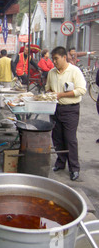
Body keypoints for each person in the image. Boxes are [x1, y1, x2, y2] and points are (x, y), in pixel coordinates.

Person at [46, 46, 87, 181]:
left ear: (64, 57)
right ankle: (60, 162)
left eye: (56, 59)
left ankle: (74, 168)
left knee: (70, 139)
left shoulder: (74, 71)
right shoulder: (52, 72)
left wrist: (61, 94)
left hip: (70, 109)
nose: (54, 62)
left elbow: (81, 90)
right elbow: (48, 88)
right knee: (57, 137)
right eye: (53, 59)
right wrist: (49, 93)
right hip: (55, 108)